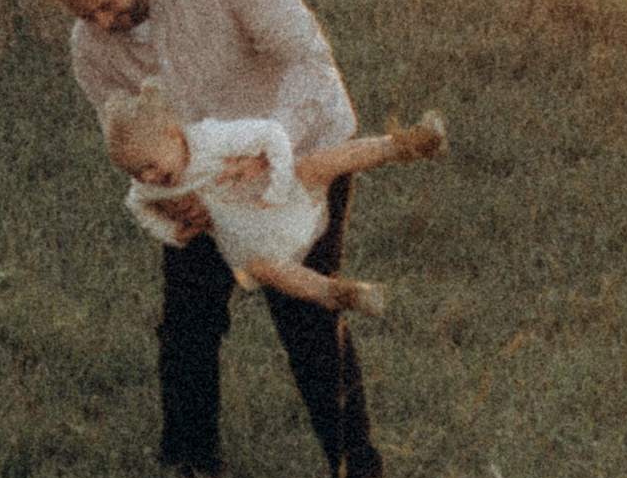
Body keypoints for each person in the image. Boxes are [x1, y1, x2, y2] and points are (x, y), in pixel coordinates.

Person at [33, 0, 400, 478]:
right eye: (84, 15)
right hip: (198, 180)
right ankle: (189, 468)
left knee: (306, 314)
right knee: (187, 321)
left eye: (105, 5)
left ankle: (359, 477)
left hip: (301, 152)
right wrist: (168, 195)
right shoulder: (90, 49)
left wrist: (269, 149)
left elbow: (308, 58)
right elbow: (126, 138)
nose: (102, 24)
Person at [105, 81, 445, 310]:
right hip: (244, 233)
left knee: (313, 166)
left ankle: (404, 145)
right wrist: (171, 233)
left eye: (150, 166)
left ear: (174, 136)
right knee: (264, 268)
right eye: (135, 173)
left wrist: (280, 184)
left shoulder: (210, 139)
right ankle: (340, 293)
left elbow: (271, 134)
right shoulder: (149, 185)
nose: (147, 178)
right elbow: (136, 204)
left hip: (280, 197)